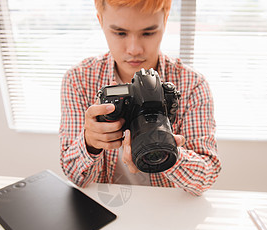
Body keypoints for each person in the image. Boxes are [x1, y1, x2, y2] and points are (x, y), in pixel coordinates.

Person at [59, 0, 221, 196]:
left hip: (167, 209)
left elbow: (206, 177)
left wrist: (165, 149)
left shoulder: (191, 84)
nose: (134, 49)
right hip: (106, 207)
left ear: (165, 20)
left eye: (148, 33)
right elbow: (75, 176)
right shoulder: (80, 80)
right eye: (120, 33)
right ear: (101, 21)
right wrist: (90, 143)